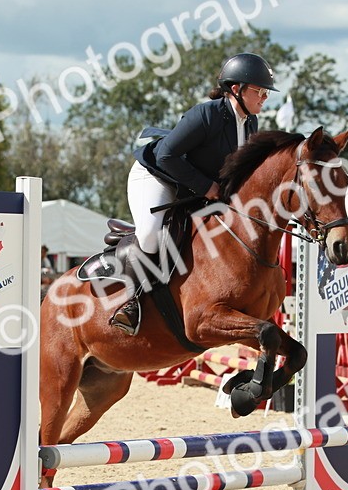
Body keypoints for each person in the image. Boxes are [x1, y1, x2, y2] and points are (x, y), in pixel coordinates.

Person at [109, 52, 277, 334]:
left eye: (265, 92)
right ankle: (130, 303)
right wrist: (208, 187)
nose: (264, 98)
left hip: (190, 184)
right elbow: (165, 156)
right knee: (151, 233)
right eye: (259, 91)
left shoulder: (249, 123)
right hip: (156, 176)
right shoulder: (205, 115)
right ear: (236, 89)